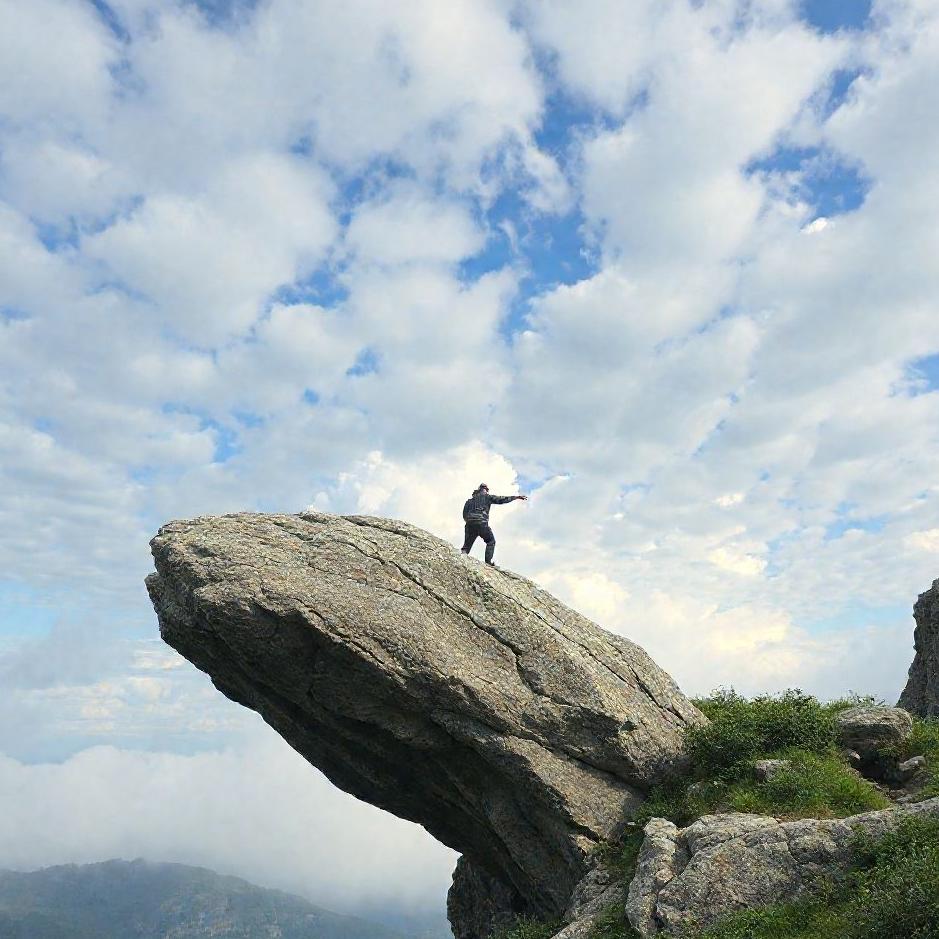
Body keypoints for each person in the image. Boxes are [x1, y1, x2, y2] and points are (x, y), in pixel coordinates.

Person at [461, 483, 527, 566]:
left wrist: (470, 521)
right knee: (491, 541)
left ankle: (461, 558)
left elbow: (464, 514)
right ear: (485, 490)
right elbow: (501, 499)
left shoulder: (469, 501)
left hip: (469, 524)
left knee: (466, 546)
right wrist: (515, 497)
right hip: (482, 523)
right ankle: (488, 562)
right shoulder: (488, 497)